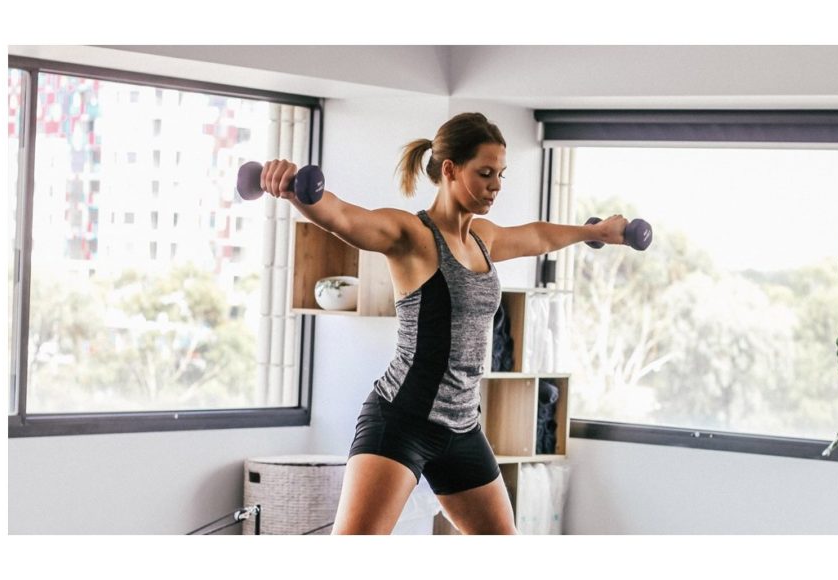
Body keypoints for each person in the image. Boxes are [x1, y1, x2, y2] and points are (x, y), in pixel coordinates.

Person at [260, 112, 627, 534]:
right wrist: (294, 190)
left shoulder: (483, 239)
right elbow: (343, 216)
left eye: (501, 174)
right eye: (485, 173)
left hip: (462, 427)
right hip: (403, 421)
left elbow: (538, 237)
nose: (496, 185)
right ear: (450, 170)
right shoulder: (412, 236)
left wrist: (594, 232)